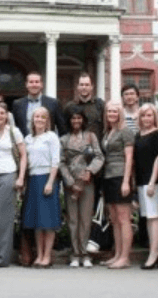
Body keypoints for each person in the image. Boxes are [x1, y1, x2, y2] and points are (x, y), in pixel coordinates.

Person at [60, 105, 103, 268]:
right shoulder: (64, 139)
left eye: (79, 118)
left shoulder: (91, 136)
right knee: (73, 220)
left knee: (85, 219)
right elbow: (61, 162)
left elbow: (99, 156)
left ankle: (85, 254)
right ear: (69, 120)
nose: (76, 121)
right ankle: (75, 254)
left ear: (83, 120)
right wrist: (69, 181)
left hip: (87, 182)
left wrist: (90, 171)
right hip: (71, 184)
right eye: (73, 118)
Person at [0, 103, 26, 267]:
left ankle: (2, 257)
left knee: (4, 217)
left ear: (7, 115)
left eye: (2, 113)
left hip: (8, 174)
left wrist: (20, 177)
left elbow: (23, 156)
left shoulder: (14, 132)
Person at [22, 107, 61, 268]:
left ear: (47, 120)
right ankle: (39, 255)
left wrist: (50, 182)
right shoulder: (28, 138)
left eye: (42, 117)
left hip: (47, 178)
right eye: (36, 116)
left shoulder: (51, 137)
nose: (39, 119)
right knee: (37, 221)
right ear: (33, 119)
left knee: (48, 221)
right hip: (33, 179)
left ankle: (47, 256)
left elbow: (55, 160)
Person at [98, 102, 134, 269]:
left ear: (120, 113)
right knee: (114, 219)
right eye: (109, 111)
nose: (111, 113)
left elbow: (129, 158)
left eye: (115, 111)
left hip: (120, 176)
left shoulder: (125, 131)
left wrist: (126, 181)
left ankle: (125, 257)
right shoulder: (107, 132)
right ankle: (117, 254)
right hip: (108, 177)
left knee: (123, 218)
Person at [134, 103, 158, 270]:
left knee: (155, 218)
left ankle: (154, 254)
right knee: (148, 217)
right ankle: (154, 252)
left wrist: (152, 182)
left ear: (154, 117)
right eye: (143, 115)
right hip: (141, 181)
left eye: (149, 115)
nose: (146, 118)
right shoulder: (138, 135)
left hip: (154, 182)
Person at [12, 71, 67, 137]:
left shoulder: (53, 103)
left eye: (37, 82)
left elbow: (62, 128)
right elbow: (14, 127)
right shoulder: (18, 104)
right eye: (31, 82)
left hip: (47, 144)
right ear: (26, 85)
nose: (34, 85)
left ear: (41, 85)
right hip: (24, 144)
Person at [64, 73, 105, 143]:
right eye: (81, 85)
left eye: (87, 85)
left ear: (92, 87)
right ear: (77, 87)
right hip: (76, 149)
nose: (84, 87)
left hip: (97, 149)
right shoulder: (69, 107)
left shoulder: (100, 105)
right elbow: (65, 129)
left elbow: (106, 127)